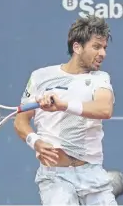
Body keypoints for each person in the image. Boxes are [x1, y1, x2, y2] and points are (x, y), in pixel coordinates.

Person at [14, 15, 117, 205]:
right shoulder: (40, 77)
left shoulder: (100, 78)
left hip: (92, 174)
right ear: (77, 47)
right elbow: (20, 121)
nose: (102, 53)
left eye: (104, 48)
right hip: (55, 177)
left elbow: (105, 109)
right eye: (96, 47)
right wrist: (35, 141)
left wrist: (64, 105)